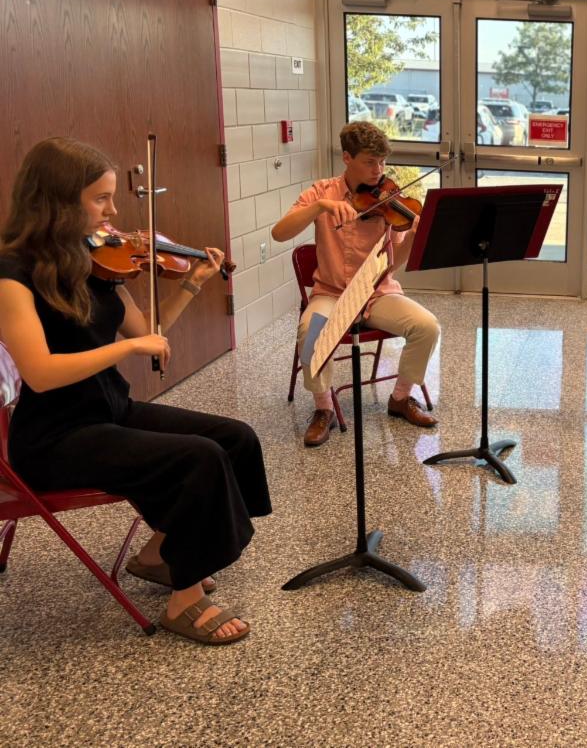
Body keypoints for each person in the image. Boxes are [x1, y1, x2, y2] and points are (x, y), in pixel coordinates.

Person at [0, 137, 271, 644]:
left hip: (109, 409)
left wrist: (192, 283)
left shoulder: (94, 259)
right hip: (54, 437)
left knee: (235, 437)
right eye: (101, 199)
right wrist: (125, 349)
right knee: (198, 458)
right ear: (58, 202)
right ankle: (184, 600)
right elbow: (40, 373)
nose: (113, 211)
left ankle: (160, 554)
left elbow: (147, 331)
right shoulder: (11, 276)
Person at [273, 122, 440, 447]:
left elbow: (392, 263)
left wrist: (412, 237)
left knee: (427, 326)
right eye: (369, 162)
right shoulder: (322, 192)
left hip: (378, 293)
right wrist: (319, 207)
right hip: (332, 293)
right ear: (347, 158)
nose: (378, 170)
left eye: (382, 162)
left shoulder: (388, 199)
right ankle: (324, 409)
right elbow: (279, 233)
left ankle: (400, 398)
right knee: (310, 331)